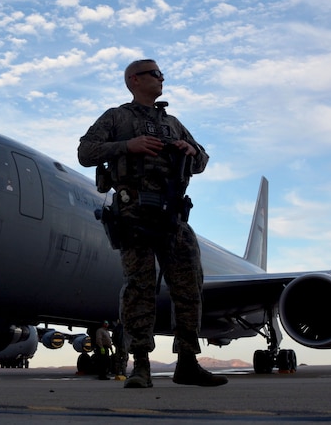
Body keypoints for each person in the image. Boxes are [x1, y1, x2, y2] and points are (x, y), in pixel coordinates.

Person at [78, 59, 227, 389]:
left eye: (161, 75)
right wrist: (127, 146)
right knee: (139, 288)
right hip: (134, 215)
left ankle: (187, 362)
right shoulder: (117, 118)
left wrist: (192, 150)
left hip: (172, 215)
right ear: (134, 80)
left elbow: (202, 160)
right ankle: (141, 366)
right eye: (155, 74)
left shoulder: (172, 123)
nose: (162, 79)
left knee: (189, 287)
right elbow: (86, 152)